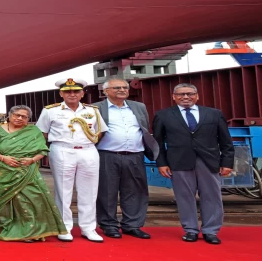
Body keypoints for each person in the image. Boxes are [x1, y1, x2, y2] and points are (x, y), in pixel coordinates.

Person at [153, 83, 234, 244]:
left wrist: (227, 162)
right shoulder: (163, 115)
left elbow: (226, 141)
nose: (185, 97)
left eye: (190, 94)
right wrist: (161, 163)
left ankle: (211, 231)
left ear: (197, 96)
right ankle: (190, 230)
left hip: (209, 161)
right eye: (181, 94)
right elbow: (158, 143)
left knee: (212, 196)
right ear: (174, 97)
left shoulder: (214, 114)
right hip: (179, 161)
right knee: (184, 197)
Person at [35, 78, 106, 243]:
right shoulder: (50, 111)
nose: (72, 94)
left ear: (82, 93)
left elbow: (100, 131)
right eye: (67, 91)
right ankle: (64, 227)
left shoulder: (92, 110)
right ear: (61, 93)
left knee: (89, 190)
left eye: (76, 91)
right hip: (62, 149)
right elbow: (42, 133)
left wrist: (87, 143)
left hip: (88, 150)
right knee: (63, 190)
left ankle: (88, 228)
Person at [0, 105, 67, 242]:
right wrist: (4, 158)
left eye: (24, 116)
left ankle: (33, 230)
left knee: (34, 198)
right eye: (16, 115)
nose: (19, 118)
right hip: (4, 171)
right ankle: (10, 228)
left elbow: (42, 150)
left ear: (28, 119)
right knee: (7, 201)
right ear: (9, 115)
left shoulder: (33, 131)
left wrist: (32, 160)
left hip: (28, 170)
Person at [94, 76, 158, 239]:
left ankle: (132, 225)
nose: (122, 90)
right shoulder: (95, 108)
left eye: (125, 88)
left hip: (135, 155)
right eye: (117, 88)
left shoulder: (138, 107)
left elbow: (144, 127)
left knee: (135, 191)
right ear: (105, 91)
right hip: (107, 155)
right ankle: (109, 225)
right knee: (106, 191)